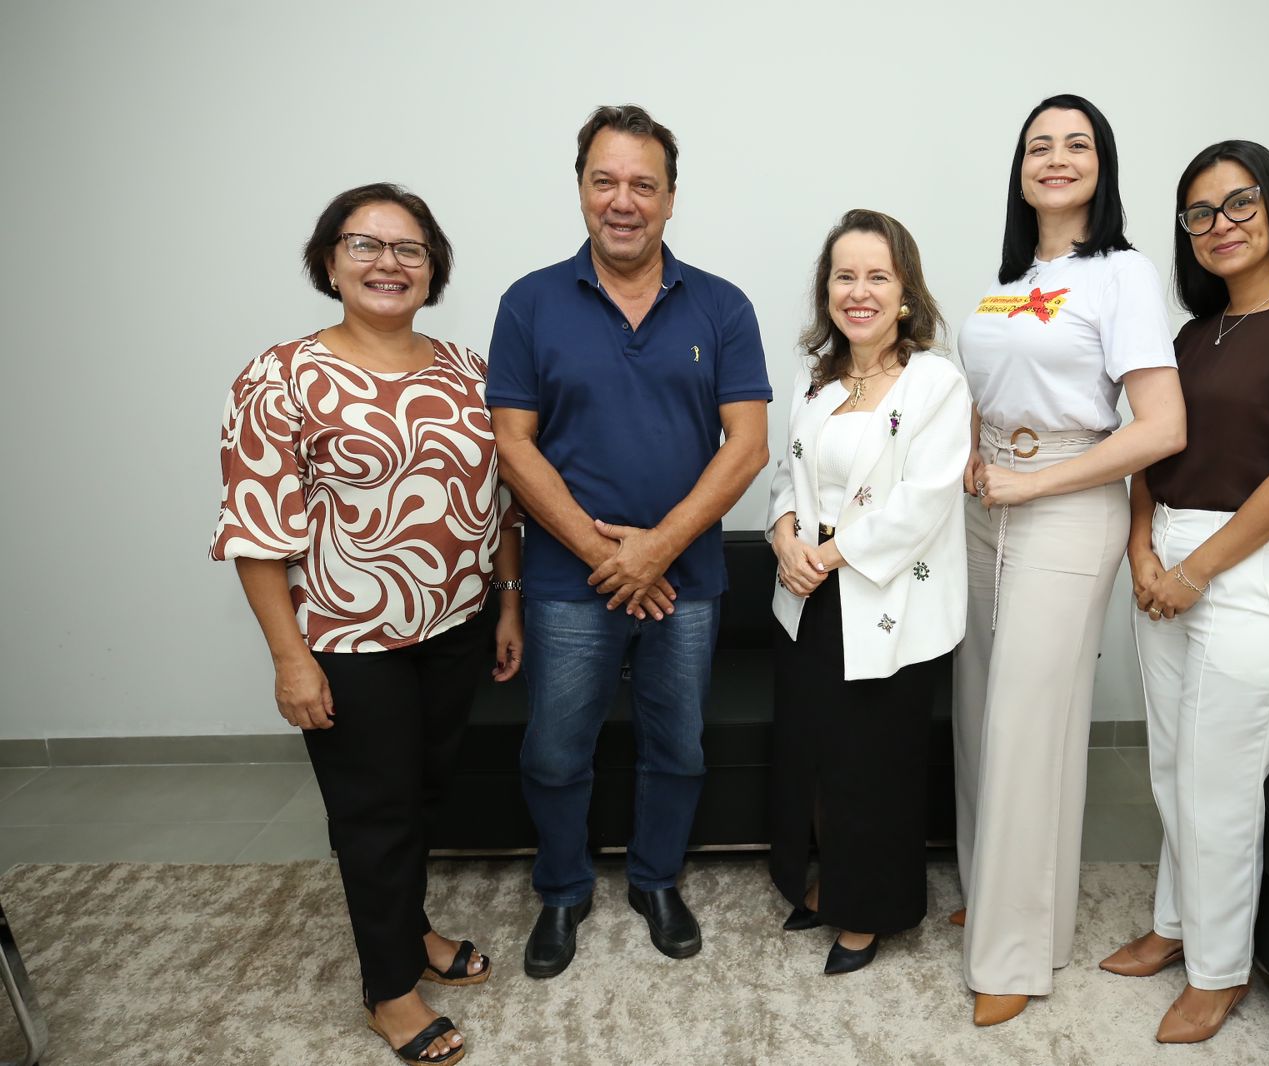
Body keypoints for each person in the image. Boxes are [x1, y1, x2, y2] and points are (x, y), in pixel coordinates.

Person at [212, 183, 522, 1066]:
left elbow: (499, 502)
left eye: (409, 249)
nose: (389, 263)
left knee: (424, 798)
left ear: (433, 269)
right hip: (348, 641)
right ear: (328, 262)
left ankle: (412, 928)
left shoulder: (467, 371)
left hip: (455, 624)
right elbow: (254, 531)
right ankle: (389, 991)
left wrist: (506, 602)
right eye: (366, 245)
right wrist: (290, 660)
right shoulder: (279, 378)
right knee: (373, 814)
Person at [487, 105, 771, 980]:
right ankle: (565, 891)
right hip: (568, 586)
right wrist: (612, 557)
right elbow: (514, 444)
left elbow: (748, 445)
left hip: (684, 581)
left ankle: (655, 879)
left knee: (676, 744)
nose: (623, 201)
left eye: (642, 184)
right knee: (555, 748)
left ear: (671, 198)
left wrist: (657, 549)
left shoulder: (721, 306)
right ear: (580, 190)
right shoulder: (530, 302)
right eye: (604, 181)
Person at [1100, 140, 1269, 1043]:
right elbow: (1151, 447)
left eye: (1239, 203)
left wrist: (1193, 570)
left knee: (1222, 785)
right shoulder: (1188, 336)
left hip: (1248, 571)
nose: (1220, 225)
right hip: (1165, 557)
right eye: (1199, 213)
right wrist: (1141, 551)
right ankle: (1177, 930)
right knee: (1173, 769)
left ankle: (1220, 971)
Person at [952, 94, 1187, 1027]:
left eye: (1076, 144)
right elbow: (986, 383)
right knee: (978, 710)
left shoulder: (1124, 274)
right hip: (986, 503)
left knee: (1028, 721)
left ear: (1103, 164)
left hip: (1065, 503)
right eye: (1038, 145)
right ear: (1019, 168)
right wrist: (977, 451)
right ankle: (997, 900)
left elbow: (1162, 427)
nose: (1055, 158)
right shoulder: (1011, 275)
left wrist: (1033, 487)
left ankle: (1015, 954)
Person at [767, 209, 970, 975]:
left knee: (874, 768)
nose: (859, 292)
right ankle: (820, 883)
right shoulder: (813, 376)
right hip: (810, 601)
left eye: (877, 276)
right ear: (827, 291)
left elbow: (923, 501)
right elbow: (787, 472)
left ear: (905, 292)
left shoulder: (935, 383)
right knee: (815, 756)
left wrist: (826, 556)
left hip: (887, 603)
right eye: (844, 276)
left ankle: (868, 912)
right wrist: (786, 534)